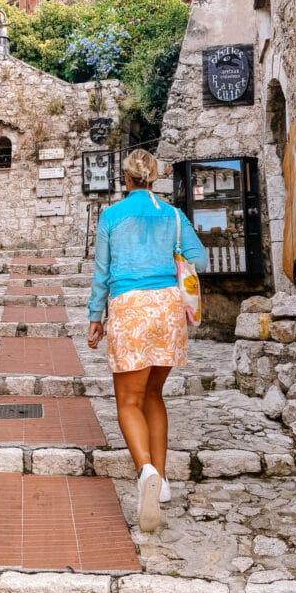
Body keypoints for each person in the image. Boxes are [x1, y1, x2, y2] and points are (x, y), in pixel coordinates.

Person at [87, 149, 207, 532]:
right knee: (154, 396)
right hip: (168, 309)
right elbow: (198, 259)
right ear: (154, 177)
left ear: (126, 178)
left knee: (128, 400)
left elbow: (102, 273)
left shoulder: (111, 216)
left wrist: (95, 317)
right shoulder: (173, 215)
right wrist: (168, 259)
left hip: (130, 307)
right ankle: (164, 481)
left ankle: (145, 473)